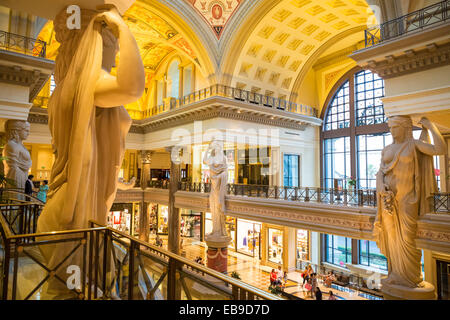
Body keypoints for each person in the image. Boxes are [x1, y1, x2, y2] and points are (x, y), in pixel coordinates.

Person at [374, 116, 446, 288]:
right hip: (388, 201)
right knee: (392, 238)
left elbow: (440, 148)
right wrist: (380, 187)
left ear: (405, 128)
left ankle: (411, 277)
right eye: (390, 128)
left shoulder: (413, 145)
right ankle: (395, 274)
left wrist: (430, 125)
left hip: (407, 200)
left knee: (407, 239)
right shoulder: (386, 149)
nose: (392, 131)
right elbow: (379, 173)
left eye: (395, 127)